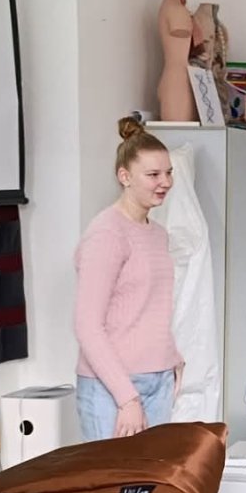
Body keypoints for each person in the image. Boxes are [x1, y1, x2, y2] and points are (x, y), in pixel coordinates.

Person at [73, 118, 183, 441]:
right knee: (113, 475)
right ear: (125, 177)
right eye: (153, 174)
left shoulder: (157, 234)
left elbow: (150, 307)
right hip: (112, 388)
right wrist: (127, 398)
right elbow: (87, 325)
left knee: (153, 475)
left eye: (168, 173)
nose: (165, 182)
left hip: (158, 380)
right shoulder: (107, 234)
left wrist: (172, 357)